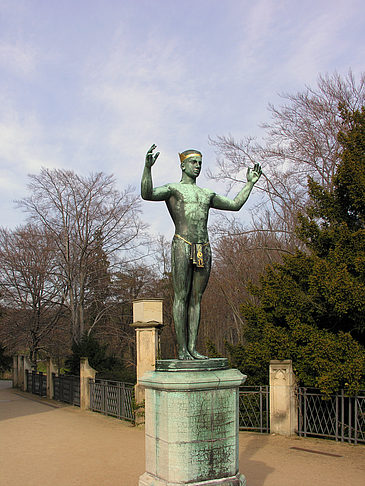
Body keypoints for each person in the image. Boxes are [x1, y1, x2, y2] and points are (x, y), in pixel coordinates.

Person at [141, 144, 262, 360]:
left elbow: (235, 205)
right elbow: (147, 194)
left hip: (202, 247)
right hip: (182, 243)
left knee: (196, 298)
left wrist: (250, 184)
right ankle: (182, 350)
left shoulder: (207, 194)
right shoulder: (173, 189)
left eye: (200, 163)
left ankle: (193, 348)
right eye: (193, 163)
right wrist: (147, 168)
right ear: (183, 165)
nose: (197, 166)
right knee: (181, 296)